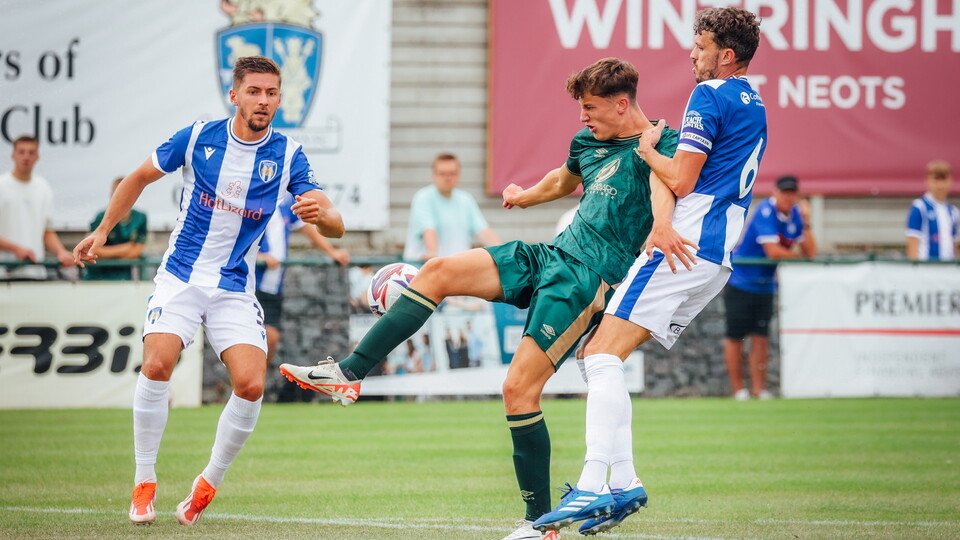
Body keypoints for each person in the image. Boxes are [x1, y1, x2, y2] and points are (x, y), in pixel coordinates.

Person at [280, 57, 680, 540]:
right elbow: (562, 180)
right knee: (439, 270)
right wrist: (523, 195)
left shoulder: (663, 145)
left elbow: (674, 187)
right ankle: (348, 374)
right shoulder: (588, 141)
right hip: (552, 254)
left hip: (589, 279)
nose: (582, 117)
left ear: (622, 104)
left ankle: (539, 525)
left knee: (518, 390)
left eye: (590, 108)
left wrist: (661, 227)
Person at [72, 55, 344, 526]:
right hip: (180, 277)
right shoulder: (198, 137)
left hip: (234, 287)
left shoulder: (288, 154)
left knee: (251, 383)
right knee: (157, 364)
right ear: (234, 95)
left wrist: (327, 218)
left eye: (271, 93)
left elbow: (335, 224)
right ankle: (144, 480)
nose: (263, 101)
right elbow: (138, 178)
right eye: (254, 92)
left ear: (280, 98)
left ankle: (207, 483)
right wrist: (101, 231)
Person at [532, 8, 768, 536]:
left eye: (701, 45)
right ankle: (625, 482)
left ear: (725, 56)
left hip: (683, 242)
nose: (692, 53)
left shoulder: (709, 95)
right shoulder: (755, 102)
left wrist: (646, 150)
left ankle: (594, 484)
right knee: (600, 356)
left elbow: (682, 178)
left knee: (598, 352)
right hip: (715, 252)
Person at [723, 175, 816, 401]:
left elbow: (811, 252)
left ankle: (758, 389)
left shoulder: (795, 215)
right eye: (784, 192)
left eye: (792, 193)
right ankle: (738, 391)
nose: (788, 197)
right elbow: (773, 252)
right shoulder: (765, 211)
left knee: (761, 338)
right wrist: (799, 258)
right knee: (735, 337)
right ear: (775, 192)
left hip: (765, 286)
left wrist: (806, 220)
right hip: (741, 282)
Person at [257, 194, 350, 366]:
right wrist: (259, 256)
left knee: (271, 339)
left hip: (273, 285)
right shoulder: (252, 199)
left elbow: (306, 227)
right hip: (250, 282)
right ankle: (246, 386)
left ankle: (253, 387)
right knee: (260, 338)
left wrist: (331, 251)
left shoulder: (285, 201)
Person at [402, 152, 501, 261]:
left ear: (459, 174)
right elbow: (429, 230)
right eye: (442, 174)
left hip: (456, 268)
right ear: (434, 175)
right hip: (426, 268)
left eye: (452, 173)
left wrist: (503, 254)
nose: (447, 178)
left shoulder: (466, 199)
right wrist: (433, 252)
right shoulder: (423, 198)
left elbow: (484, 231)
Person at [0, 135, 74, 280]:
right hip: (3, 272)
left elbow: (47, 231)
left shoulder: (43, 188)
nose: (26, 157)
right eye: (21, 152)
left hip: (36, 273)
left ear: (37, 157)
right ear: (13, 155)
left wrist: (61, 252)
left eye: (31, 152)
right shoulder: (2, 186)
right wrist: (15, 249)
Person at [84, 176, 149, 281]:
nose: (124, 198)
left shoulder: (141, 217)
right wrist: (125, 248)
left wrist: (105, 253)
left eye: (128, 194)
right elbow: (90, 250)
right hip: (96, 277)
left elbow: (137, 251)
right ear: (111, 196)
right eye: (119, 194)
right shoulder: (101, 217)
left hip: (123, 278)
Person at [906, 160, 958, 261]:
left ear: (950, 181)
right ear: (927, 180)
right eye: (936, 180)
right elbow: (912, 246)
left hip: (947, 272)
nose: (940, 185)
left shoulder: (953, 212)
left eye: (944, 180)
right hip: (926, 271)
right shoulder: (919, 207)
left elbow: (954, 246)